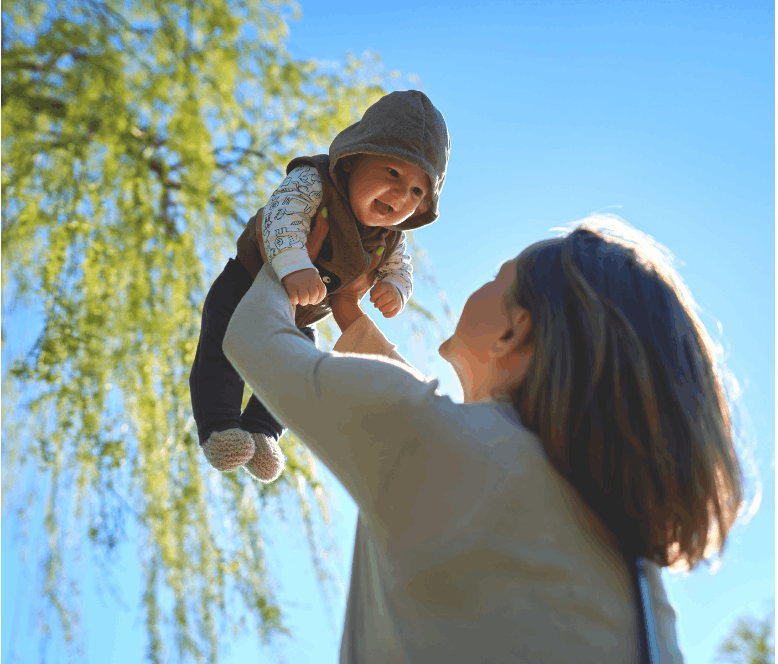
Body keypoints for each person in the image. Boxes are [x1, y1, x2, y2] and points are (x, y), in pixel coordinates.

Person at [222, 215, 743, 663]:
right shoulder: (638, 570)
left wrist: (289, 262)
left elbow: (253, 338)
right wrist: (353, 320)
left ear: (513, 332)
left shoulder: (425, 441)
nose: (483, 282)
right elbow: (451, 435)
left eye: (498, 277)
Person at [189, 90, 449, 481]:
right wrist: (294, 264)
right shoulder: (315, 181)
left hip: (303, 315)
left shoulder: (391, 237)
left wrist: (395, 288)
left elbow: (401, 267)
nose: (400, 196)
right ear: (352, 162)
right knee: (223, 345)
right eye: (393, 173)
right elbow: (282, 216)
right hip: (246, 282)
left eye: (417, 191)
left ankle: (264, 431)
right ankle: (220, 425)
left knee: (298, 367)